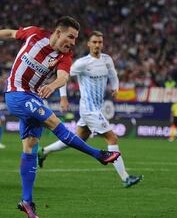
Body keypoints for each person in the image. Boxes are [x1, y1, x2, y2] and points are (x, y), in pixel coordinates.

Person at [0, 16, 121, 218]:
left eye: (75, 38)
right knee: (54, 123)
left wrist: (53, 85)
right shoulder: (35, 34)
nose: (73, 42)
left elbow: (63, 77)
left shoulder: (64, 56)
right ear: (58, 33)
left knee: (30, 148)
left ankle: (26, 201)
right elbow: (11, 33)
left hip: (32, 96)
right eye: (71, 37)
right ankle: (98, 155)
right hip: (16, 94)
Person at [38, 31, 143, 188]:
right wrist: (63, 97)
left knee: (78, 139)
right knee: (112, 138)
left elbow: (113, 74)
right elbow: (63, 77)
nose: (97, 45)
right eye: (94, 42)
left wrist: (115, 87)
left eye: (100, 42)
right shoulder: (82, 63)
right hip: (89, 109)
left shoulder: (107, 60)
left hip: (95, 108)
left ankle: (43, 151)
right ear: (88, 44)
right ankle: (125, 178)